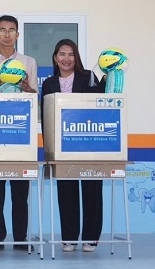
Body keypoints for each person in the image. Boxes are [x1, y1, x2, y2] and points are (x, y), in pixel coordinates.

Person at [0, 15, 38, 253]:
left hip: (21, 134)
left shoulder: (29, 62)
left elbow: (35, 100)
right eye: (2, 30)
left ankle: (21, 237)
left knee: (21, 192)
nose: (7, 34)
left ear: (18, 35)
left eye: (12, 30)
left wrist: (29, 90)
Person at [40, 38, 106, 252]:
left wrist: (107, 81)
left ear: (76, 57)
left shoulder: (89, 77)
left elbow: (99, 106)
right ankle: (69, 237)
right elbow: (45, 117)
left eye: (70, 54)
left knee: (92, 191)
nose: (66, 59)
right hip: (62, 147)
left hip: (89, 143)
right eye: (62, 54)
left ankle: (90, 238)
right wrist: (49, 149)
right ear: (55, 58)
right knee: (66, 192)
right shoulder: (48, 84)